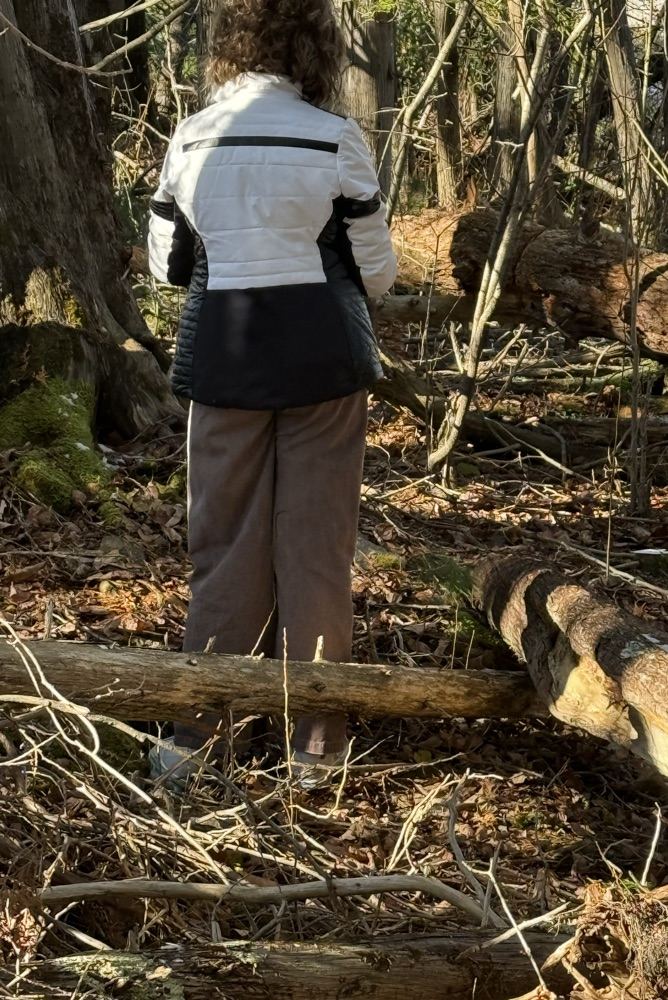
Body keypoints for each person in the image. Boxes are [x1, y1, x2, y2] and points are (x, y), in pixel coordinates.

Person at [146, 0, 397, 788]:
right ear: (311, 49)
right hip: (326, 365)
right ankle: (316, 748)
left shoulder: (190, 139)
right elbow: (379, 273)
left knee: (222, 545)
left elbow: (168, 266)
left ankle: (195, 736)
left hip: (224, 363)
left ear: (229, 47)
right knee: (316, 549)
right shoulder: (336, 138)